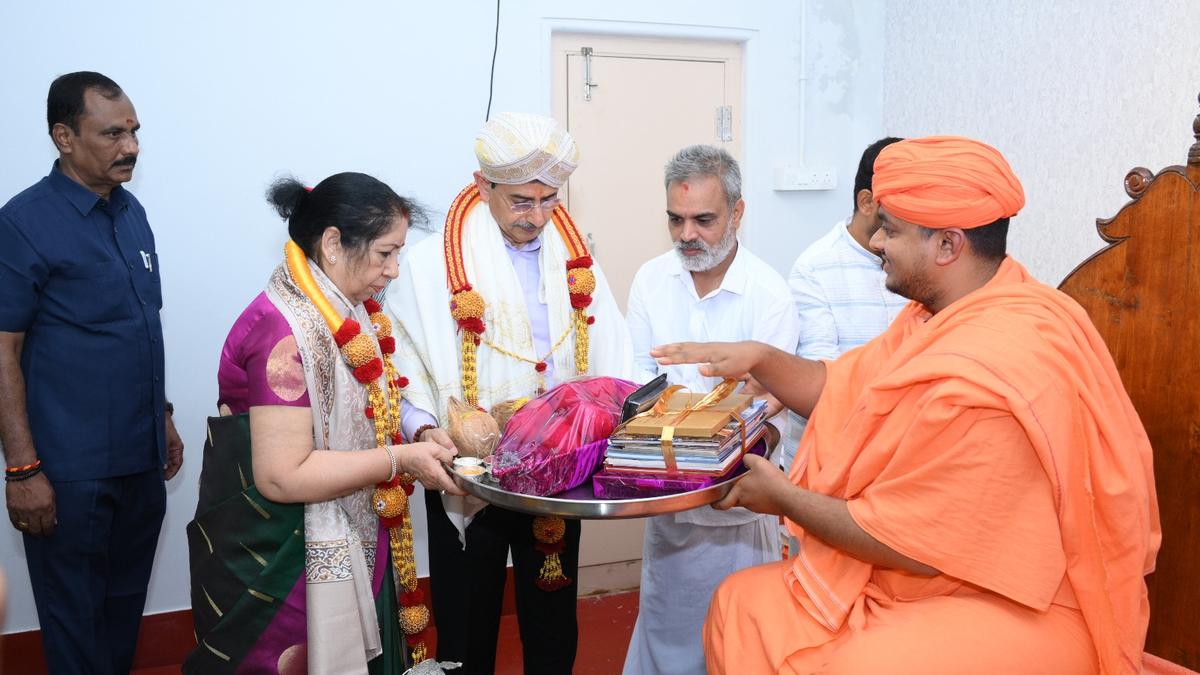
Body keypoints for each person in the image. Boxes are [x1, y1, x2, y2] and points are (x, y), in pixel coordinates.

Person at [653, 136, 1161, 673]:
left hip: (1012, 599)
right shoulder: (937, 314)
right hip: (927, 568)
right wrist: (760, 357)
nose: (873, 242)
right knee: (742, 604)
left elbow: (916, 543)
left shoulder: (1001, 362)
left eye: (890, 230)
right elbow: (844, 387)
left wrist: (783, 498)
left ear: (948, 245)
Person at [185, 173, 463, 674]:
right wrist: (400, 460)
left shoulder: (344, 306)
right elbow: (282, 475)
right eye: (386, 253)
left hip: (352, 523)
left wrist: (417, 432)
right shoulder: (285, 331)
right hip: (287, 549)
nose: (395, 270)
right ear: (333, 243)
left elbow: (372, 394)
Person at [388, 112, 633, 674]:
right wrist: (424, 430)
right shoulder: (429, 266)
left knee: (551, 609)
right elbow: (399, 364)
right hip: (467, 470)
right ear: (482, 186)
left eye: (550, 200)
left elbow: (611, 349)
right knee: (466, 613)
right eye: (523, 201)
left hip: (555, 465)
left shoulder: (574, 259)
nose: (539, 216)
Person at [0, 71, 184, 675]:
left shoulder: (132, 213)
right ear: (64, 137)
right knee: (74, 622)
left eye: (133, 131)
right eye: (111, 133)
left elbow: (137, 328)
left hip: (140, 457)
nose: (130, 146)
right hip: (68, 472)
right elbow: (4, 350)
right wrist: (22, 469)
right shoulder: (23, 222)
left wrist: (164, 418)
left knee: (122, 612)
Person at [622, 145, 799, 674]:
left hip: (738, 502)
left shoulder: (769, 294)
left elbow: (766, 404)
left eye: (703, 219)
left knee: (738, 635)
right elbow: (636, 388)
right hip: (666, 495)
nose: (686, 235)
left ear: (738, 213)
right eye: (675, 220)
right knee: (666, 621)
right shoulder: (652, 280)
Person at [781, 137, 907, 472]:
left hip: (899, 459)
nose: (914, 216)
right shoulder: (815, 269)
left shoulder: (920, 264)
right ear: (867, 202)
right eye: (902, 206)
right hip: (829, 463)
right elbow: (823, 384)